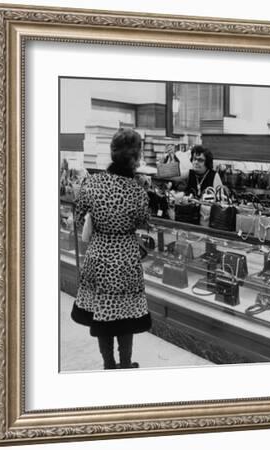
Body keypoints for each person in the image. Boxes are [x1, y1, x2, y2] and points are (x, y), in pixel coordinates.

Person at [71, 128, 151, 370]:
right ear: (135, 158)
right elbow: (143, 222)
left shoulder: (92, 182)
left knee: (102, 313)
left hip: (99, 254)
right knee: (125, 316)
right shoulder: (138, 190)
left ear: (112, 153)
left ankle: (109, 365)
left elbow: (77, 217)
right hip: (126, 255)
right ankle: (125, 366)